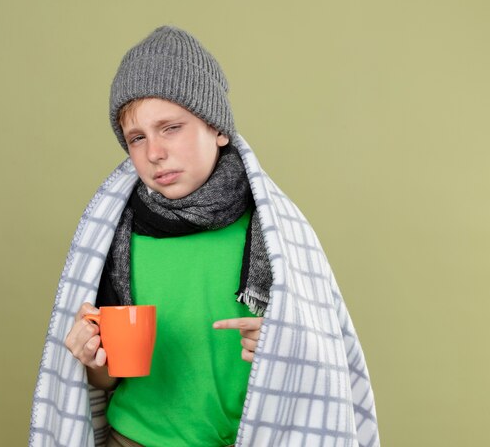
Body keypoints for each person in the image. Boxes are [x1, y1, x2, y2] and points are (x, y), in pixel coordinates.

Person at [29, 26, 379, 447]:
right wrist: (90, 359)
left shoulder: (274, 234)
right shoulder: (116, 234)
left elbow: (318, 367)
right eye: (137, 137)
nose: (154, 152)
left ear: (217, 128)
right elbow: (107, 375)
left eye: (171, 127)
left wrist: (282, 346)